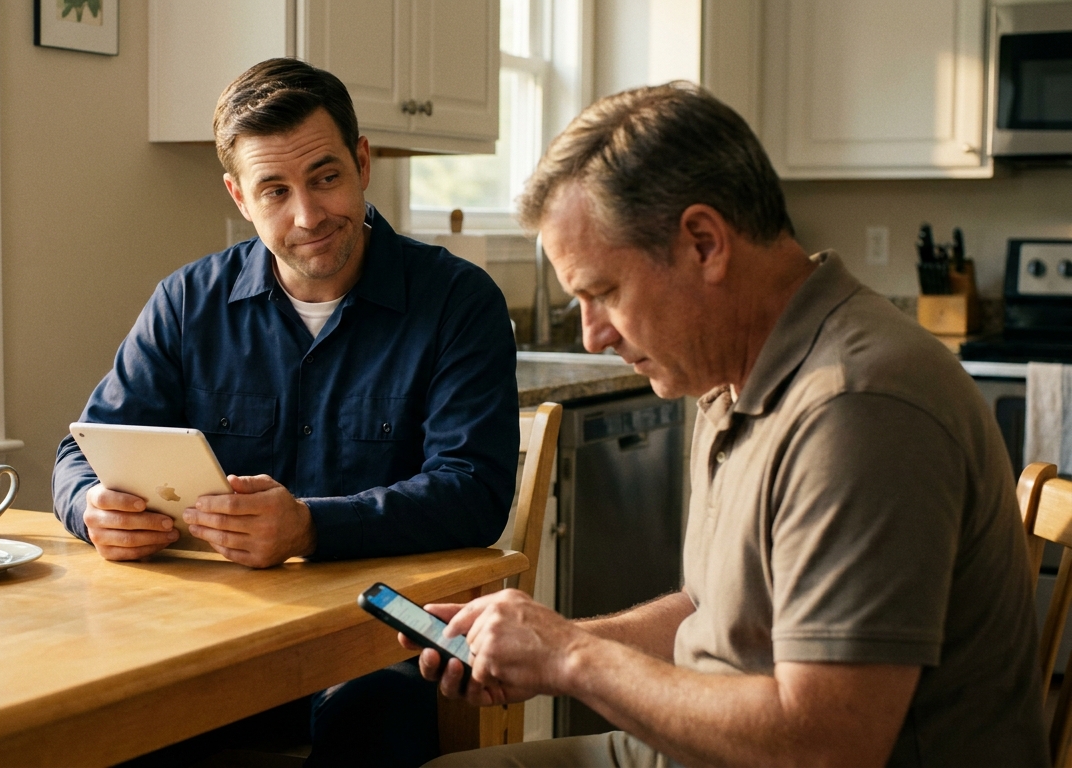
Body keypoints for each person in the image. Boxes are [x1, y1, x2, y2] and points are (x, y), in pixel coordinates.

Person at [407, 82, 1048, 768]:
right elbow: (712, 613)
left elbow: (828, 746)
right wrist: (551, 642)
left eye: (603, 293)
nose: (593, 336)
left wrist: (570, 657)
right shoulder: (731, 377)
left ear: (704, 244)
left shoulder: (857, 408)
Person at [51, 58, 519, 767]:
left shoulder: (459, 302)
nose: (308, 216)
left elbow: (474, 493)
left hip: (381, 641)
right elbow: (79, 454)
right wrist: (91, 508)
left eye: (326, 177)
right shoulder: (186, 303)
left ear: (362, 162)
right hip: (211, 636)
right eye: (275, 190)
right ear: (240, 195)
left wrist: (308, 524)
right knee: (96, 711)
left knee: (370, 717)